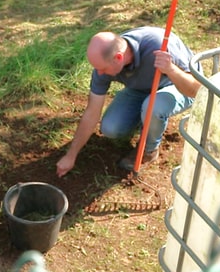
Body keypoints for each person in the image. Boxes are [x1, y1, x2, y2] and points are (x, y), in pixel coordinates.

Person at [56, 27, 202, 177]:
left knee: (153, 108)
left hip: (177, 85)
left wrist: (171, 69)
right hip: (141, 88)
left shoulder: (158, 46)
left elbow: (196, 90)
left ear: (118, 58)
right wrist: (71, 155)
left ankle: (149, 150)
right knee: (110, 128)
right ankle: (146, 119)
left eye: (102, 69)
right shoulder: (104, 64)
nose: (99, 73)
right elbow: (92, 112)